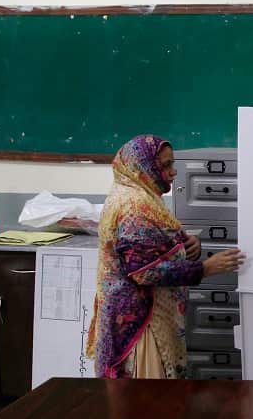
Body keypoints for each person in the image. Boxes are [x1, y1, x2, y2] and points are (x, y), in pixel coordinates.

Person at [86, 135, 244, 379]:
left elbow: (153, 244)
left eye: (173, 164)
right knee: (148, 404)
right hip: (141, 326)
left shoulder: (141, 195)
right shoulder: (134, 208)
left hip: (142, 317)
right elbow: (144, 272)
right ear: (144, 165)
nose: (173, 172)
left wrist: (187, 244)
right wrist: (205, 268)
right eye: (166, 165)